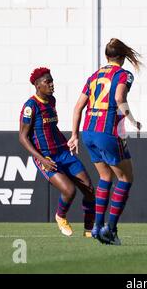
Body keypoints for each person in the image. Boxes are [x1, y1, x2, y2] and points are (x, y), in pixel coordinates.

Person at [68, 38, 142, 246]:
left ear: (107, 56)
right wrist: (132, 120)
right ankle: (110, 229)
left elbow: (77, 107)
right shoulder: (123, 74)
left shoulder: (94, 76)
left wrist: (74, 135)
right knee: (126, 178)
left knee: (104, 176)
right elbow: (119, 98)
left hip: (88, 132)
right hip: (107, 132)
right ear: (122, 56)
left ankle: (97, 227)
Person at [19, 67, 95, 237]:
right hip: (46, 156)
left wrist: (69, 140)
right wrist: (42, 159)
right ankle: (60, 216)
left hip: (63, 151)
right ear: (38, 85)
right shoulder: (30, 106)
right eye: (48, 82)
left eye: (52, 80)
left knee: (89, 189)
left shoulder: (52, 100)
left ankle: (89, 230)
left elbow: (51, 128)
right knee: (69, 190)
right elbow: (23, 138)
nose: (52, 84)